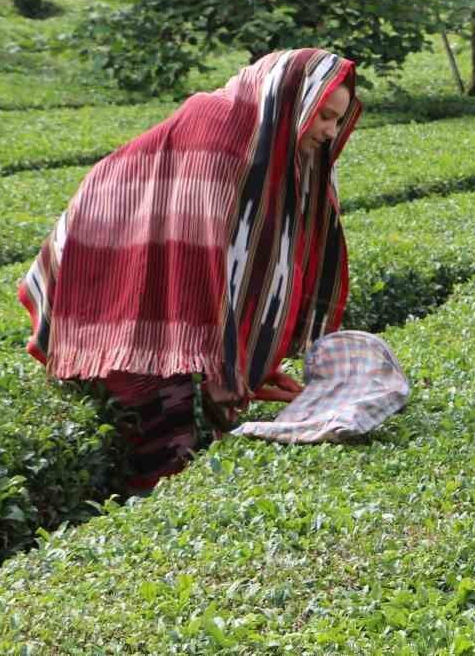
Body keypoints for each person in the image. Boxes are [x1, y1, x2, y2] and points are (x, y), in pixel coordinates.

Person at [18, 47, 362, 491]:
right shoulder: (218, 132)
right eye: (324, 116)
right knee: (167, 422)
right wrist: (221, 372)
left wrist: (245, 366)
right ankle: (143, 514)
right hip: (109, 262)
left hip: (154, 264)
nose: (330, 131)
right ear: (293, 98)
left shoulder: (270, 144)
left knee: (201, 413)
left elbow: (249, 259)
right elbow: (193, 263)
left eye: (338, 120)